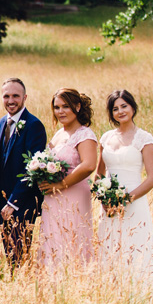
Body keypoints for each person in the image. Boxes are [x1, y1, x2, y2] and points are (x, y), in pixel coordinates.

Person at [96, 90, 153, 290]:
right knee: (110, 247)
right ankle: (111, 293)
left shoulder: (144, 138)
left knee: (135, 248)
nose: (120, 111)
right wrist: (104, 200)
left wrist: (124, 201)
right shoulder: (105, 138)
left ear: (132, 107)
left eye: (124, 106)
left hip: (134, 203)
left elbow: (152, 179)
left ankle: (139, 295)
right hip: (108, 207)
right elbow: (98, 175)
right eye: (115, 108)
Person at [37, 88, 99, 271]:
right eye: (57, 107)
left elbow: (88, 165)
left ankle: (75, 281)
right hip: (52, 197)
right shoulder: (58, 135)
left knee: (72, 237)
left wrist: (61, 184)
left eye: (66, 106)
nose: (60, 111)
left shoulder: (85, 134)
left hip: (73, 194)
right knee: (53, 238)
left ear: (78, 107)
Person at [0, 78, 48, 270]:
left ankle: (22, 288)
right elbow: (1, 164)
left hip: (21, 202)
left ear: (25, 97)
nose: (11, 100)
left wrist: (12, 202)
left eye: (15, 95)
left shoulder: (34, 125)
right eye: (6, 96)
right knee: (9, 254)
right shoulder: (1, 123)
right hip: (3, 202)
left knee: (19, 254)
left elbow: (32, 169)